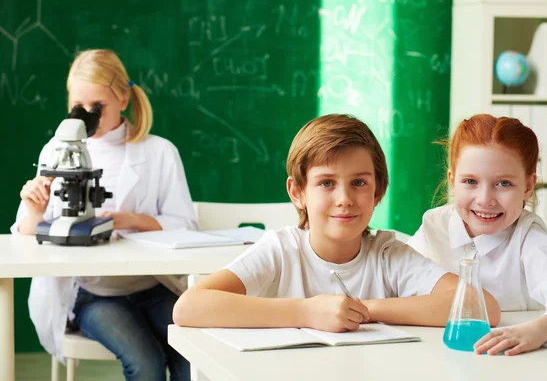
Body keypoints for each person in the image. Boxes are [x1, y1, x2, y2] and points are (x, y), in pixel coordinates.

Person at [173, 114, 500, 331]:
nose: (344, 198)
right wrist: (306, 313)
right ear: (297, 192)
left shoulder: (387, 254)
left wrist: (365, 309)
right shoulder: (282, 250)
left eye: (359, 183)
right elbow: (188, 307)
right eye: (326, 183)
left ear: (377, 192)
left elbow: (483, 308)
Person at [12, 49, 197, 380]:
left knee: (191, 356)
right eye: (78, 108)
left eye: (97, 108)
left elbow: (185, 225)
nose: (87, 115)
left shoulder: (160, 152)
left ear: (124, 98)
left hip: (155, 286)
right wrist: (35, 208)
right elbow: (30, 230)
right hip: (95, 294)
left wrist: (129, 220)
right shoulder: (57, 150)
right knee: (146, 363)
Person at [408, 113, 547, 356]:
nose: (485, 200)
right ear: (453, 181)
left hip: (510, 361)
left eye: (503, 183)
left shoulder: (527, 236)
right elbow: (393, 281)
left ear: (528, 186)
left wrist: (536, 331)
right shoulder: (434, 226)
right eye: (470, 181)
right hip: (441, 356)